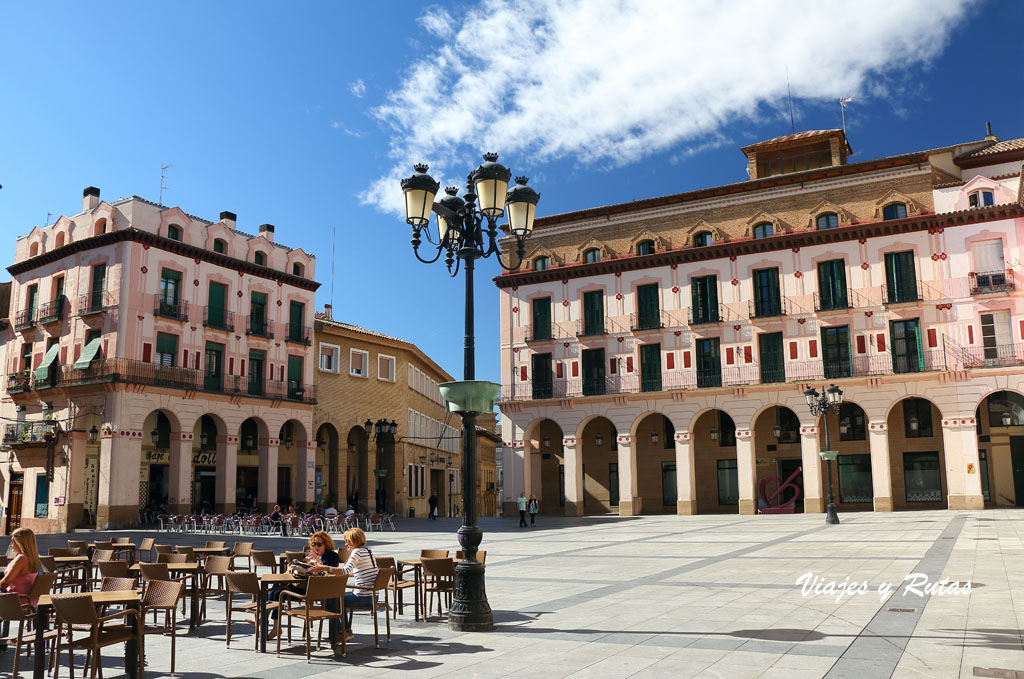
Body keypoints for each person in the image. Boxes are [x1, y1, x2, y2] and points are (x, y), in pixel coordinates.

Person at [267, 531, 341, 640]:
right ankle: (275, 626)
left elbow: (329, 574)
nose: (316, 547)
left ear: (326, 544)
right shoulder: (310, 555)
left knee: (277, 590)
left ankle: (263, 618)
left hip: (316, 590)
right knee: (276, 591)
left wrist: (318, 561)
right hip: (304, 586)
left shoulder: (332, 556)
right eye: (313, 544)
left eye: (319, 544)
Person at [310, 527, 377, 644]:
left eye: (348, 541)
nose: (346, 544)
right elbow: (357, 572)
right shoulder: (368, 551)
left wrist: (325, 568)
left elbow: (345, 570)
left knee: (329, 600)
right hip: (373, 595)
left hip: (363, 596)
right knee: (337, 598)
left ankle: (341, 632)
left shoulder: (356, 552)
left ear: (355, 540)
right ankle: (345, 631)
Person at [0, 527, 42, 607]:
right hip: (30, 602)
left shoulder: (22, 558)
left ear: (21, 543)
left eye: (13, 541)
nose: (11, 544)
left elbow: (5, 583)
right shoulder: (33, 557)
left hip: (17, 603)